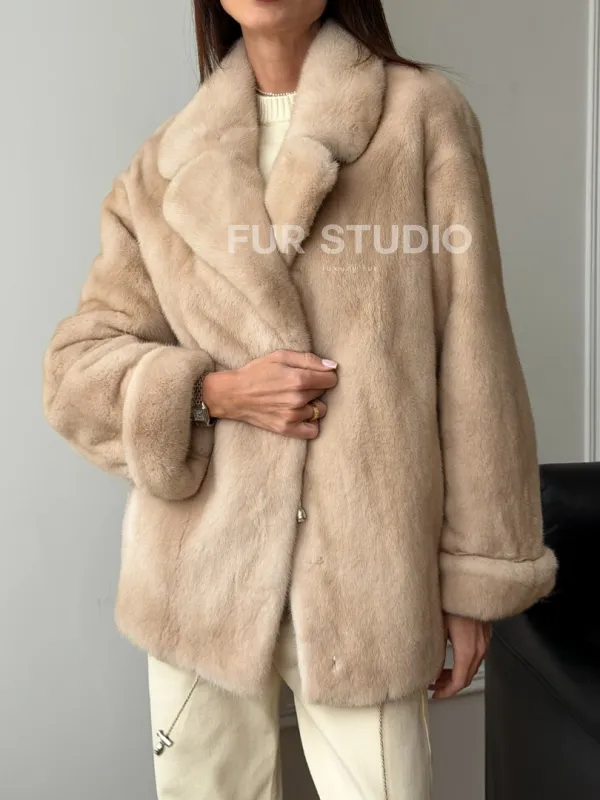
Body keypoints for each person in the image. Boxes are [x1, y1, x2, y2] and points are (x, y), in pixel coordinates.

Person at [42, 1, 558, 798]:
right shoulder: (163, 166)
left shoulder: (420, 117)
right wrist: (213, 394)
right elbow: (75, 371)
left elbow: (476, 361)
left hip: (368, 577)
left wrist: (472, 582)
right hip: (199, 587)